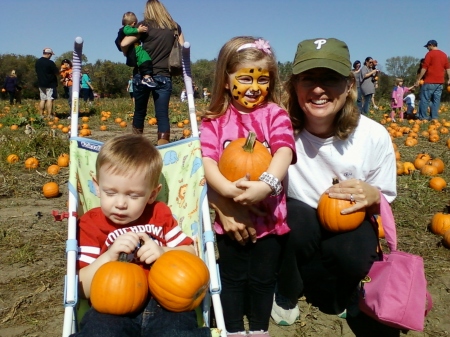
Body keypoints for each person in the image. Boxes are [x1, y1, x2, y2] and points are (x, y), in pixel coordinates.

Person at [207, 38, 397, 327]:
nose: (319, 89)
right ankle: (286, 290)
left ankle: (339, 290)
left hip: (345, 222)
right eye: (308, 79)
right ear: (293, 86)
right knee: (297, 219)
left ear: (349, 85)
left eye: (330, 79)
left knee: (354, 250)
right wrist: (221, 202)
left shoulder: (373, 135)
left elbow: (385, 196)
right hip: (297, 226)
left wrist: (373, 195)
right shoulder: (277, 127)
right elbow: (210, 163)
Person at [200, 36, 297, 337]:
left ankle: (258, 329)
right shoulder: (214, 121)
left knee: (263, 278)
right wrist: (228, 192)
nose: (254, 87)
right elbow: (207, 161)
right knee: (232, 276)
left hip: (271, 218)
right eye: (245, 78)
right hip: (230, 222)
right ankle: (232, 330)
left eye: (262, 79)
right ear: (226, 81)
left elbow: (284, 150)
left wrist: (267, 184)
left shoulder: (276, 115)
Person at [70, 134, 212, 337]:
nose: (120, 203)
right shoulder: (91, 224)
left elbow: (190, 252)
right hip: (111, 307)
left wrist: (163, 252)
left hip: (166, 302)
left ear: (152, 194)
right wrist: (109, 256)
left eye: (133, 195)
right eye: (110, 193)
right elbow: (81, 287)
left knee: (178, 332)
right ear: (96, 186)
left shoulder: (159, 214)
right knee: (99, 332)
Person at [120, 0, 184, 144]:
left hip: (142, 75)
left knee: (139, 112)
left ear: (148, 10)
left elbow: (124, 43)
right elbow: (183, 48)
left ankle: (136, 145)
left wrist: (128, 54)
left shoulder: (144, 26)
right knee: (162, 114)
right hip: (164, 75)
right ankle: (163, 147)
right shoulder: (175, 27)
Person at [116, 12, 157, 88]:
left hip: (134, 48)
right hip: (135, 48)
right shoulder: (126, 28)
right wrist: (139, 30)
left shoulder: (124, 29)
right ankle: (146, 77)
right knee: (145, 59)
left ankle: (146, 76)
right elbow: (127, 31)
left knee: (141, 60)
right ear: (133, 23)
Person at [415, 40, 450, 121]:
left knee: (424, 99)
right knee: (436, 100)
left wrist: (418, 79)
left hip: (429, 81)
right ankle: (434, 117)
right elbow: (448, 68)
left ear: (431, 45)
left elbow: (424, 67)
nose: (427, 48)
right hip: (440, 82)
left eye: (427, 46)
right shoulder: (444, 54)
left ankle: (423, 117)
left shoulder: (429, 54)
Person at [35, 47, 59, 117]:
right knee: (49, 99)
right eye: (51, 54)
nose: (51, 56)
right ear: (48, 54)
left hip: (41, 83)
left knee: (42, 99)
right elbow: (56, 73)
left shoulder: (38, 62)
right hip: (50, 83)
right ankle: (49, 115)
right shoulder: (50, 63)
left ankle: (41, 115)